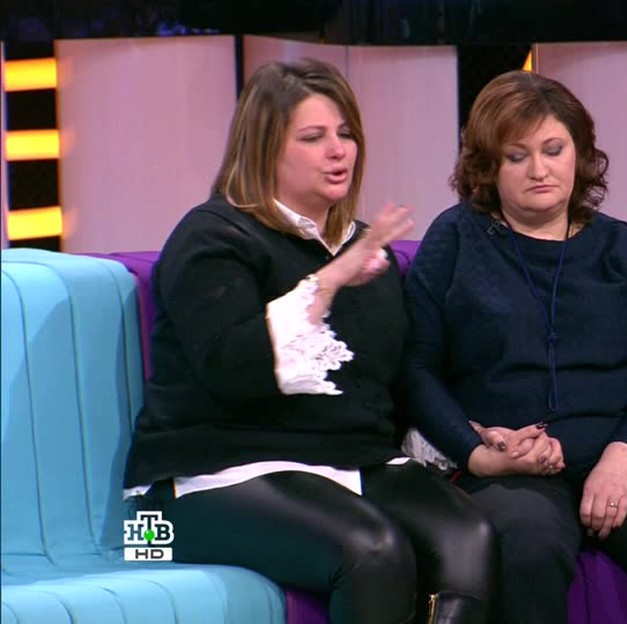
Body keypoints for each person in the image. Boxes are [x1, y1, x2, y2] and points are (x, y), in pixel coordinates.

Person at [122, 58, 495, 624]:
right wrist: (330, 280)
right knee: (373, 550)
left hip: (346, 465)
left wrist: (472, 437)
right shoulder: (211, 237)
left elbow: (391, 384)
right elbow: (232, 367)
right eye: (313, 137)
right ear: (265, 150)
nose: (338, 151)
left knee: (469, 537)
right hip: (192, 489)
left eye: (345, 134)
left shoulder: (363, 250)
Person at [401, 70, 627, 624]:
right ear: (487, 166)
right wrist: (477, 452)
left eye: (554, 150)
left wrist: (621, 460)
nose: (539, 170)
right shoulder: (455, 239)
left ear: (579, 153)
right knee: (527, 549)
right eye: (517, 156)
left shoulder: (623, 248)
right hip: (507, 464)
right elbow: (416, 367)